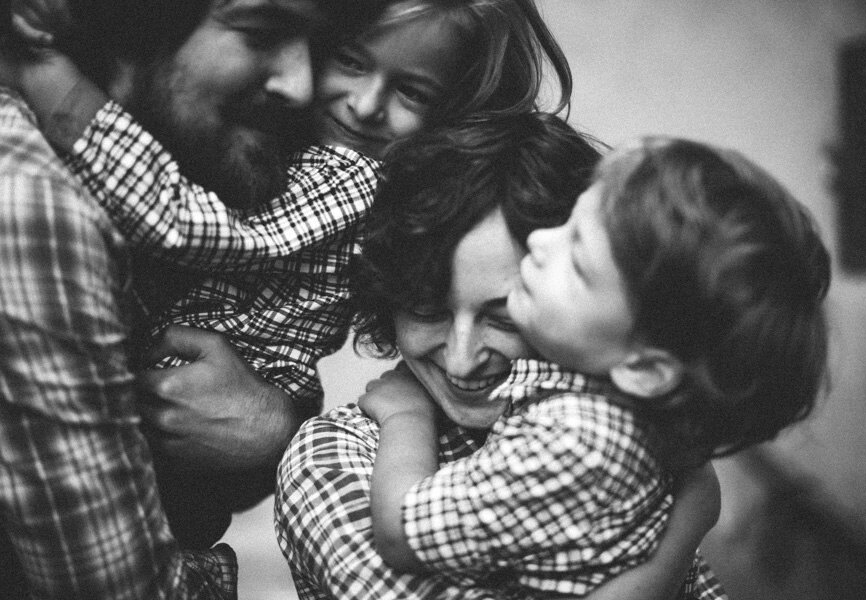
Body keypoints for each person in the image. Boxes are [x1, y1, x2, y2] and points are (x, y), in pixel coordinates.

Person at [5, 0, 574, 547]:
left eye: (413, 91)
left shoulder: (353, 176)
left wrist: (65, 98)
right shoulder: (288, 136)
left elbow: (184, 224)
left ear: (452, 111)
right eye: (349, 60)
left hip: (226, 393)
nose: (366, 105)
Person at [0, 0, 378, 596]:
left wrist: (280, 427)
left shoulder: (295, 162)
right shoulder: (36, 209)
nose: (303, 86)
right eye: (260, 32)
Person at [275, 112, 727, 599]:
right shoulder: (333, 462)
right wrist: (687, 523)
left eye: (506, 318)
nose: (461, 360)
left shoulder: (596, 429)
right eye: (426, 311)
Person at [359, 135, 831, 596]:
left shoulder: (577, 439)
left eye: (579, 261)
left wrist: (406, 416)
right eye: (569, 224)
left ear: (645, 370)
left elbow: (400, 534)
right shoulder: (630, 406)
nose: (539, 240)